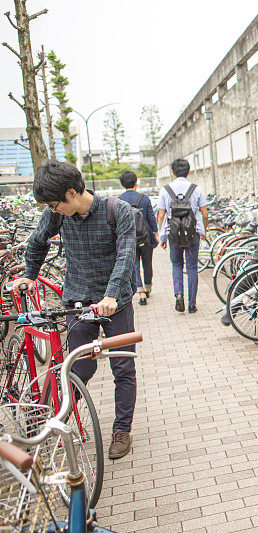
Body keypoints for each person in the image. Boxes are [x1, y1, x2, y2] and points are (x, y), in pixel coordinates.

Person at [13, 159, 138, 460]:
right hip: (78, 300)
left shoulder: (117, 210)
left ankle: (122, 429)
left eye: (55, 204)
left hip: (115, 302)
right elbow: (37, 242)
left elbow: (125, 256)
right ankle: (61, 418)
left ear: (71, 193)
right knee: (79, 365)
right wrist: (30, 274)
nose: (52, 210)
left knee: (122, 367)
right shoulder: (56, 215)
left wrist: (110, 295)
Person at [156, 158, 208, 313]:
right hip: (193, 233)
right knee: (192, 267)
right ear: (189, 171)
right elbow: (204, 214)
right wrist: (203, 231)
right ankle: (192, 304)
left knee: (177, 265)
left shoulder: (165, 190)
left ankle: (179, 295)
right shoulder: (196, 189)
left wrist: (162, 236)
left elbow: (161, 215)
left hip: (174, 234)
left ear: (172, 172)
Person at [119, 170, 158, 306]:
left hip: (129, 238)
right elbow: (151, 218)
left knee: (134, 265)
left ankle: (140, 292)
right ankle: (147, 287)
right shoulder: (144, 198)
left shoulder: (119, 200)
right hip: (145, 237)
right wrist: (156, 233)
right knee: (147, 263)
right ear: (136, 182)